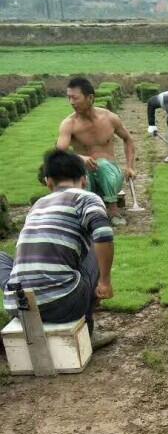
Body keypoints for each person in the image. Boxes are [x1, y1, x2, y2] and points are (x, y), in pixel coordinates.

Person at [0, 149, 117, 349]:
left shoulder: (37, 205)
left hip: (18, 307)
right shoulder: (87, 198)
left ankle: (22, 295)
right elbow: (103, 234)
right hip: (63, 303)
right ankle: (88, 333)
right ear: (84, 179)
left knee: (3, 257)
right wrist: (105, 281)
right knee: (97, 247)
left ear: (48, 182)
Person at [56, 76, 136, 227]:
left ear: (90, 98)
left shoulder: (109, 118)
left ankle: (113, 210)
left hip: (110, 173)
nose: (71, 102)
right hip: (84, 174)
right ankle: (86, 213)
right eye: (69, 98)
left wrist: (130, 166)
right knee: (82, 172)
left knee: (103, 166)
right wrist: (80, 158)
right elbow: (60, 152)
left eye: (75, 98)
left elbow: (129, 140)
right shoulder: (69, 124)